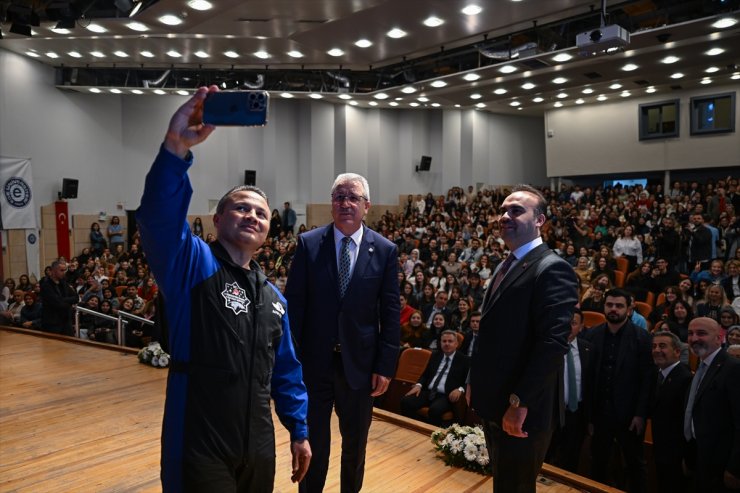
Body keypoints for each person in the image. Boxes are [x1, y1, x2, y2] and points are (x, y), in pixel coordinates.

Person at [136, 86, 311, 492]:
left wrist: (299, 432)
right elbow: (158, 219)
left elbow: (286, 370)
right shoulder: (193, 264)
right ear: (217, 219)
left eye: (261, 213)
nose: (252, 215)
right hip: (199, 437)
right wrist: (175, 149)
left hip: (258, 442)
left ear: (269, 230)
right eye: (240, 207)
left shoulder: (274, 298)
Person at [285, 171, 400, 493]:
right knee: (313, 445)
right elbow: (295, 307)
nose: (345, 203)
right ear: (331, 204)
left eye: (353, 198)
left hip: (361, 369)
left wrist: (385, 366)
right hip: (314, 364)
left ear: (367, 205)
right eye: (339, 197)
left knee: (355, 448)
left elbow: (390, 313)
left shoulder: (386, 249)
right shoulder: (308, 244)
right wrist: (292, 360)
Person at [468, 184, 578, 493]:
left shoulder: (552, 268)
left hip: (523, 407)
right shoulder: (507, 264)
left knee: (516, 486)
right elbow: (491, 335)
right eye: (503, 210)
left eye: (516, 211)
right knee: (504, 483)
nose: (505, 216)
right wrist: (474, 380)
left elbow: (552, 344)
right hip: (497, 400)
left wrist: (520, 401)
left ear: (540, 220)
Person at [583, 288, 653, 493]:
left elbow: (646, 380)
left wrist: (640, 414)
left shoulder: (642, 338)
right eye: (610, 305)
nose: (613, 309)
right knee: (598, 462)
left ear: (629, 309)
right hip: (599, 413)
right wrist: (588, 416)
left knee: (635, 464)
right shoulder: (592, 334)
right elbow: (588, 379)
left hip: (629, 415)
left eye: (619, 305)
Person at [684, 317, 740, 493]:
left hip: (722, 466)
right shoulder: (701, 367)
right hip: (699, 458)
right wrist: (689, 455)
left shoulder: (733, 368)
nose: (694, 338)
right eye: (690, 334)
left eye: (701, 333)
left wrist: (735, 468)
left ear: (718, 338)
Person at [546, 308, 593, 474]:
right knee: (545, 456)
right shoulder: (547, 348)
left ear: (581, 327)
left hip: (576, 414)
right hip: (551, 413)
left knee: (570, 459)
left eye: (573, 323)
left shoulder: (589, 350)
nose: (568, 327)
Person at [649, 331, 692, 493]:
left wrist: (687, 458)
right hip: (661, 450)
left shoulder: (685, 378)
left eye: (662, 346)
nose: (657, 350)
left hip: (676, 455)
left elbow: (687, 422)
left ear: (677, 352)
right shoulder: (656, 375)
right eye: (653, 346)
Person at [400, 330, 469, 426]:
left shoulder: (464, 360)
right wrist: (418, 385)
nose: (447, 344)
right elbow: (425, 374)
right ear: (440, 343)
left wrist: (460, 389)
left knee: (435, 410)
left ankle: (430, 434)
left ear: (456, 344)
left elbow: (468, 382)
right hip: (429, 392)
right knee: (406, 401)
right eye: (444, 341)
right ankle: (411, 427)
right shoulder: (435, 355)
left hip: (446, 395)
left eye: (450, 341)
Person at [39, 260, 79, 335]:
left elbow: (76, 297)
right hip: (52, 324)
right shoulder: (46, 285)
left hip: (66, 322)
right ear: (53, 271)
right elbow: (57, 303)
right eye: (61, 270)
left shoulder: (63, 283)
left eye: (65, 270)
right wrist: (69, 303)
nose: (64, 272)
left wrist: (62, 300)